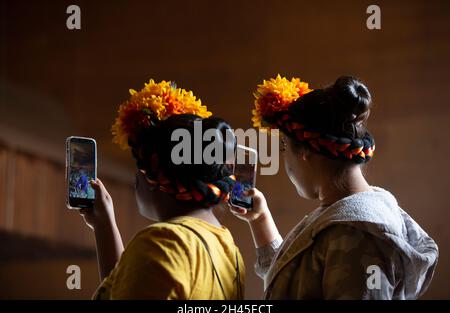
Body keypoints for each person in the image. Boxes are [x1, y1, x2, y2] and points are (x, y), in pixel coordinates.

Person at [229, 74, 438, 299]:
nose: (286, 163)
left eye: (284, 148)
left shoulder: (358, 234)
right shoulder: (347, 218)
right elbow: (291, 276)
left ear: (305, 152)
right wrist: (260, 220)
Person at [80, 79, 244, 299]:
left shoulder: (161, 243)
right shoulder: (228, 248)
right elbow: (127, 285)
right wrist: (104, 225)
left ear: (152, 177)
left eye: (137, 167)